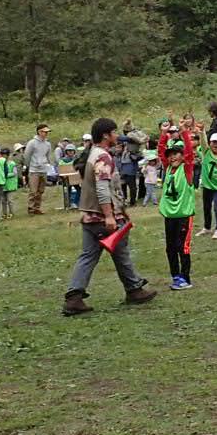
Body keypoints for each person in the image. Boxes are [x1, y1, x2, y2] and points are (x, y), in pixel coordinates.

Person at [63, 117, 158, 316]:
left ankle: (74, 297)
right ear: (106, 135)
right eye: (114, 132)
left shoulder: (92, 153)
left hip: (89, 215)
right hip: (101, 216)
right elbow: (102, 188)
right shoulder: (103, 157)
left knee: (89, 255)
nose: (117, 136)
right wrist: (109, 216)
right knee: (120, 250)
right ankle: (134, 289)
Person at [158, 138, 198, 290]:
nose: (172, 157)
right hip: (170, 216)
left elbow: (189, 154)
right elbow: (161, 152)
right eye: (170, 155)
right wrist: (163, 134)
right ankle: (175, 276)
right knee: (170, 247)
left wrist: (183, 132)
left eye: (175, 154)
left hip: (183, 215)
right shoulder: (168, 169)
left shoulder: (186, 170)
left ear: (182, 156)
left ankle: (185, 278)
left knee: (182, 247)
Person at [24, 123, 56, 215]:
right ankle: (31, 208)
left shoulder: (47, 144)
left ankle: (37, 208)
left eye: (47, 132)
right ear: (39, 132)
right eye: (44, 132)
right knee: (33, 191)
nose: (46, 133)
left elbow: (48, 156)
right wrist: (28, 166)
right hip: (34, 170)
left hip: (43, 169)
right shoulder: (32, 143)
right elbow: (27, 155)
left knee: (41, 190)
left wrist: (50, 166)